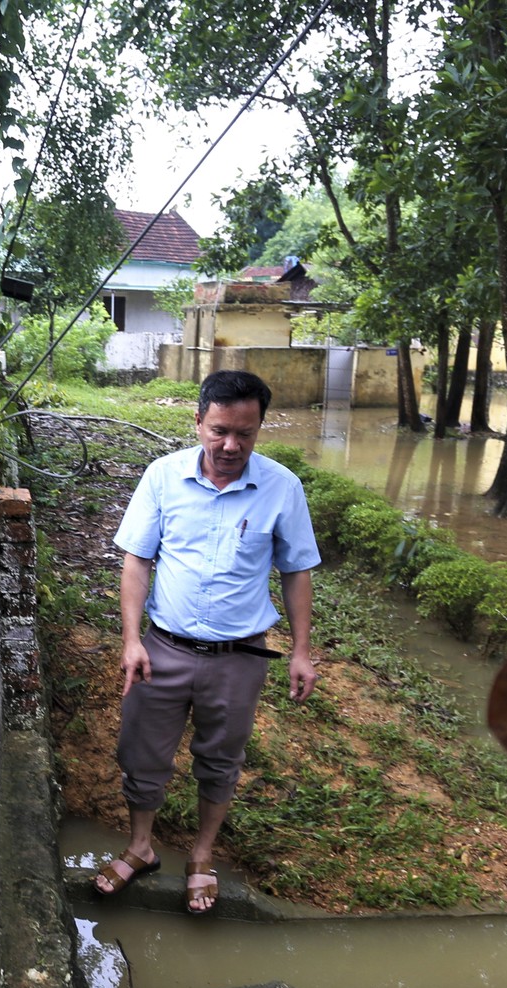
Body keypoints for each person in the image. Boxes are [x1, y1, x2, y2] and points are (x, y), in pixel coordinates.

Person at [92, 369, 320, 914]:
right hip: (163, 649)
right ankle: (142, 847)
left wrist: (302, 650)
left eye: (245, 433)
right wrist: (131, 640)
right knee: (143, 754)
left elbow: (296, 571)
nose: (230, 445)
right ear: (198, 422)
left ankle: (200, 856)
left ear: (260, 428)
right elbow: (137, 560)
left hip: (238, 658)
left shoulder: (281, 488)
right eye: (219, 430)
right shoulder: (162, 477)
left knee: (221, 758)